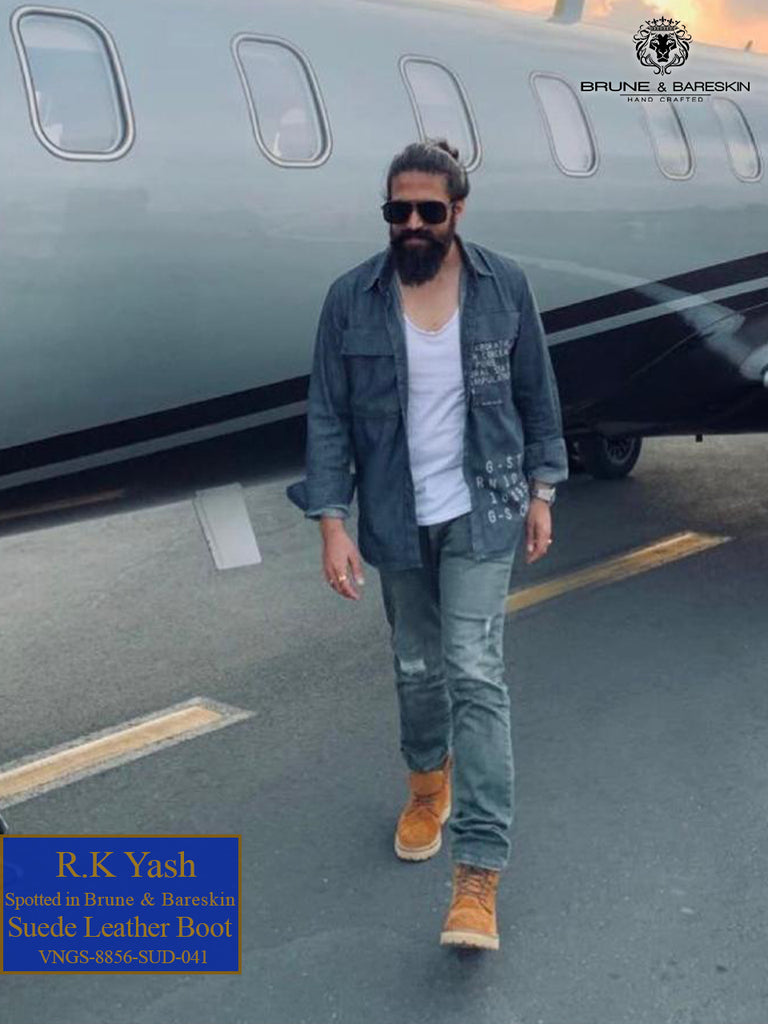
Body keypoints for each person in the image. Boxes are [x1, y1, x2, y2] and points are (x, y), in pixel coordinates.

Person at [286, 138, 568, 951]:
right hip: (396, 518)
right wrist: (331, 523)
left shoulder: (503, 286)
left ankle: (477, 874)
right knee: (416, 669)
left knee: (475, 672)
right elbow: (329, 416)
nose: (411, 223)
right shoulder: (352, 299)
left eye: (428, 210)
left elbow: (537, 395)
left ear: (458, 211)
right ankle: (425, 783)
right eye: (397, 210)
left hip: (485, 508)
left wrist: (543, 493)